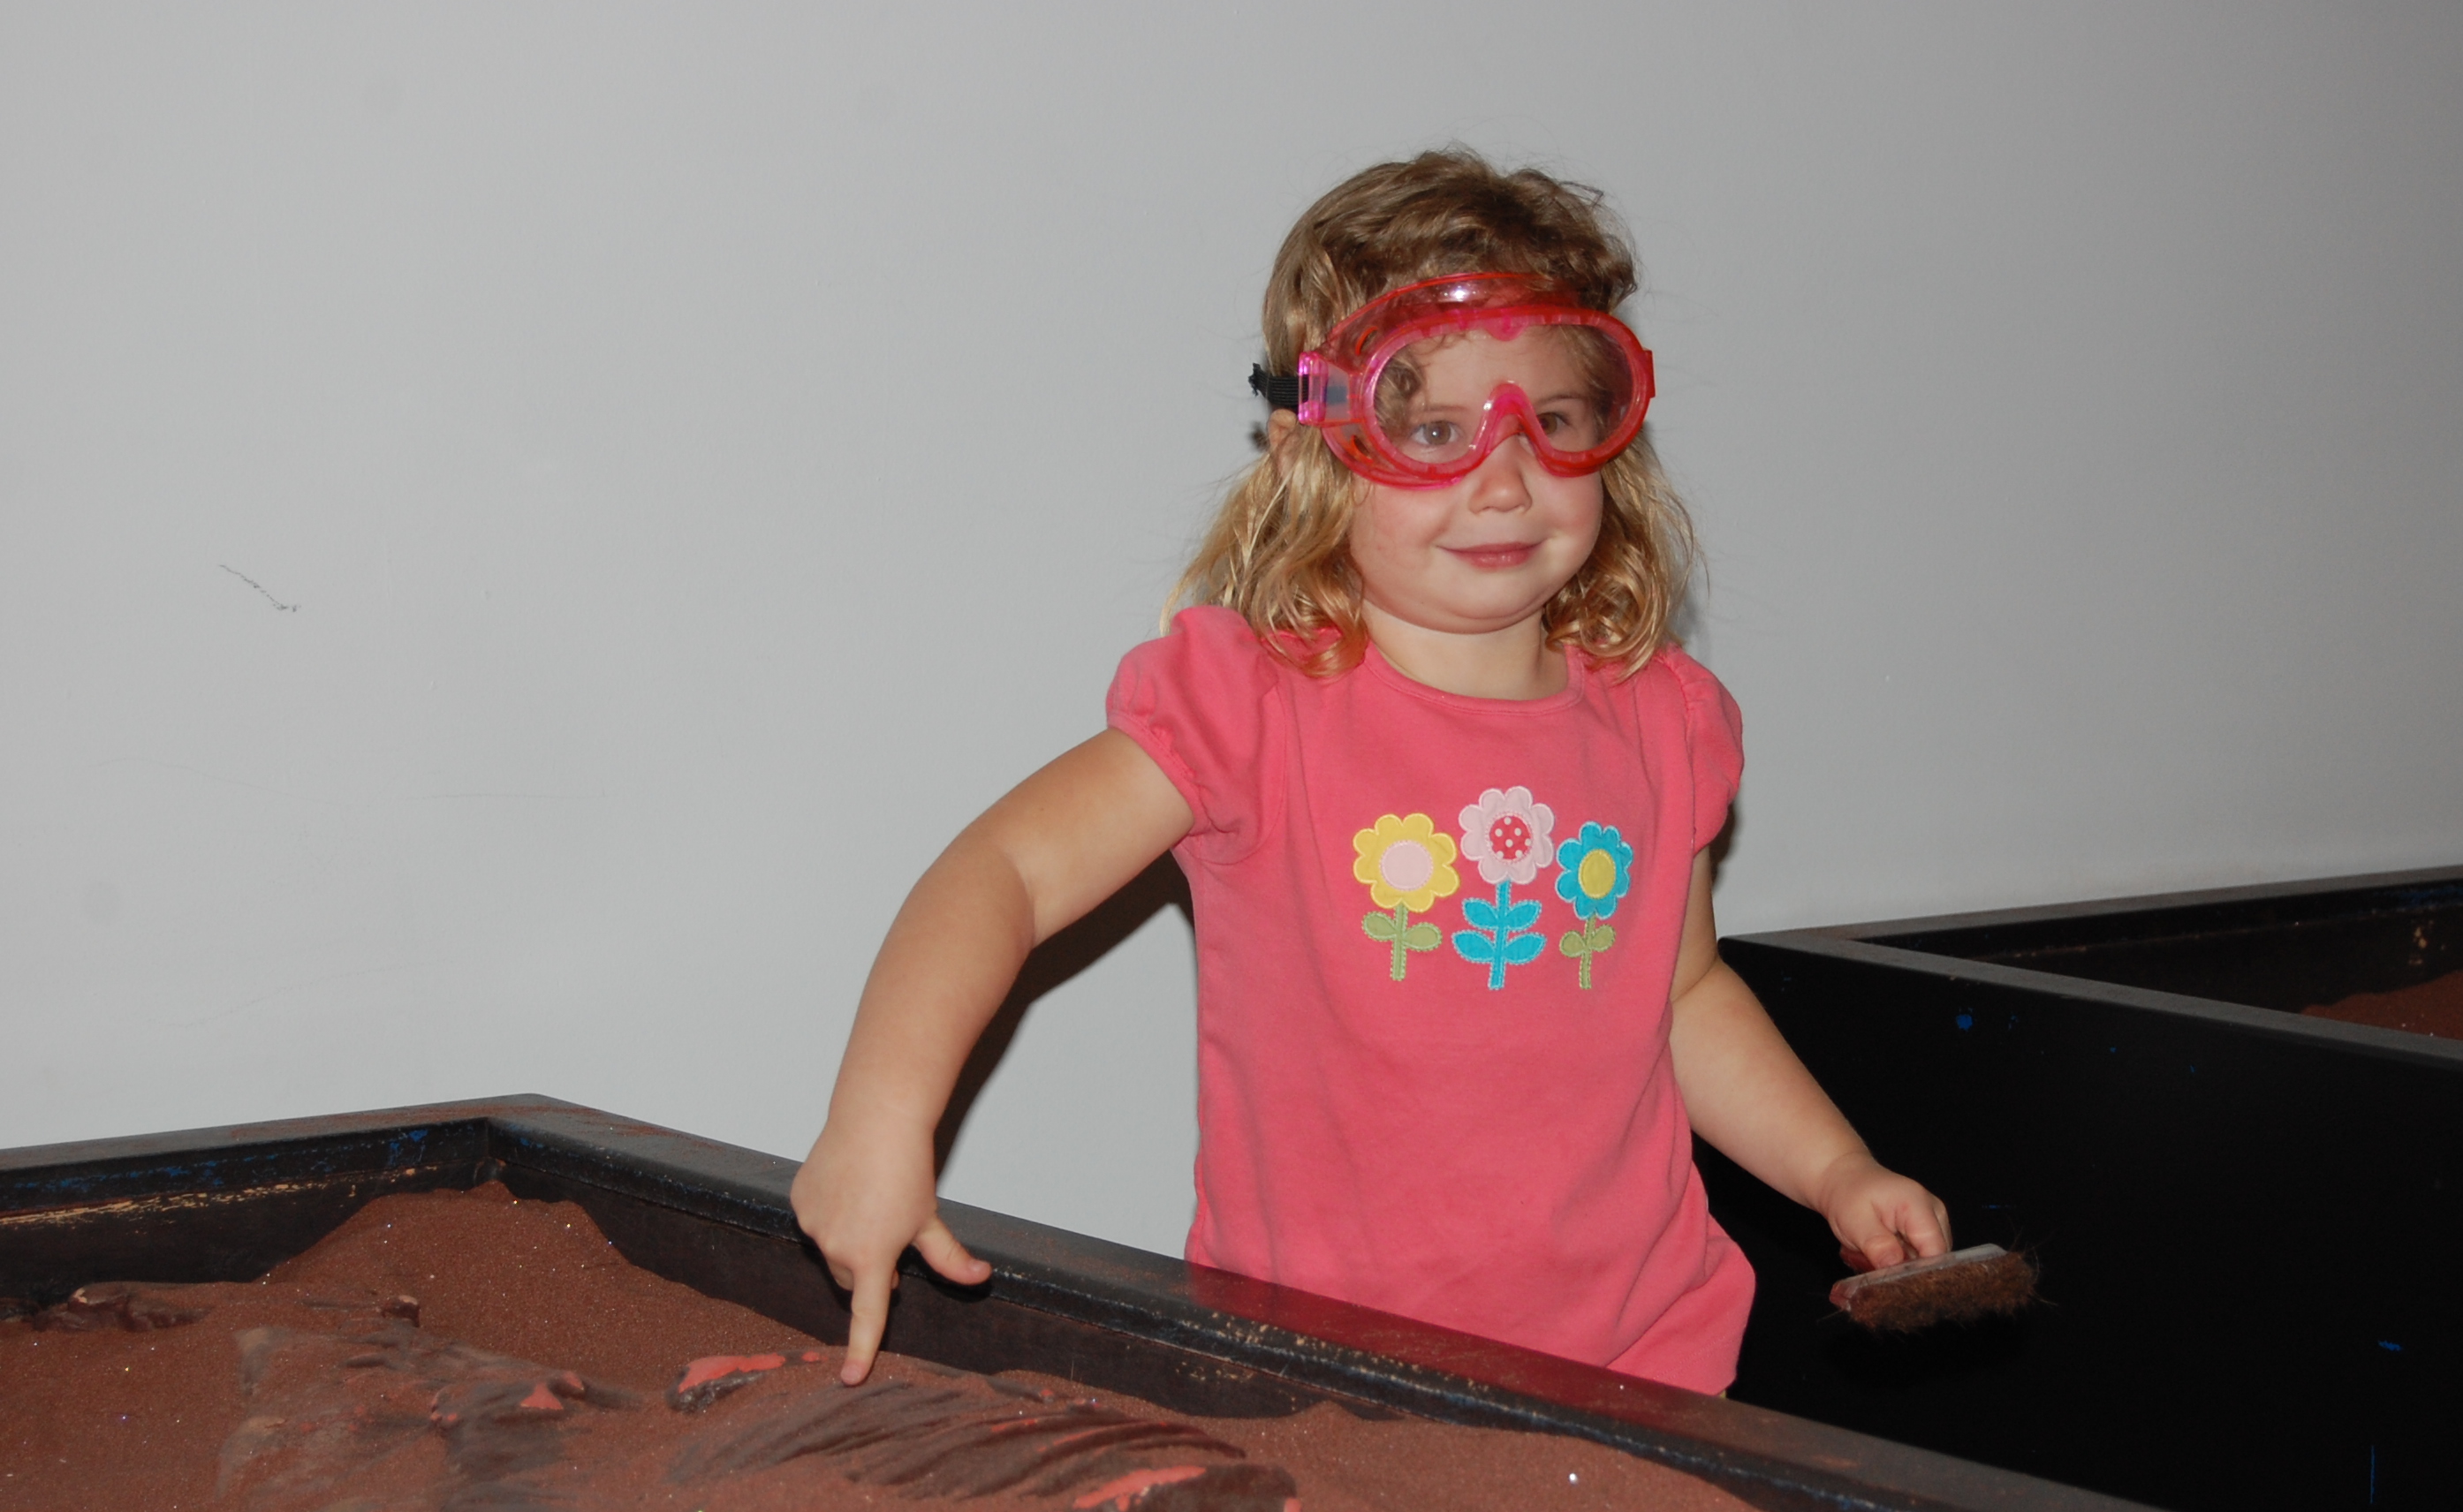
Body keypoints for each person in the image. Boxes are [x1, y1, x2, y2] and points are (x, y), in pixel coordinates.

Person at [792, 149, 1950, 1393]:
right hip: (1322, 1374)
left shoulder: (1664, 722)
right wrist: (880, 1120)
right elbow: (1006, 875)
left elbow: (1686, 996)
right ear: (1316, 443)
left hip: (1641, 1362)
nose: (1503, 481)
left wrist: (1835, 1169)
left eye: (1555, 423)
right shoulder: (1249, 710)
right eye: (1435, 431)